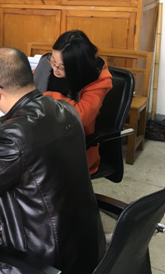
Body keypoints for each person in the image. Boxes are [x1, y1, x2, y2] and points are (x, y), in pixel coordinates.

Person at [0, 48, 105, 274]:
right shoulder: (65, 109)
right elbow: (35, 135)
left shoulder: (13, 137)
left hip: (39, 266)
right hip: (82, 248)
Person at [33, 30, 113, 174]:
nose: (55, 69)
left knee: (22, 166)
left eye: (62, 67)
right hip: (40, 134)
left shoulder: (97, 78)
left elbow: (82, 116)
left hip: (73, 146)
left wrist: (46, 97)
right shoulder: (47, 63)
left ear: (78, 66)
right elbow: (30, 84)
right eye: (53, 61)